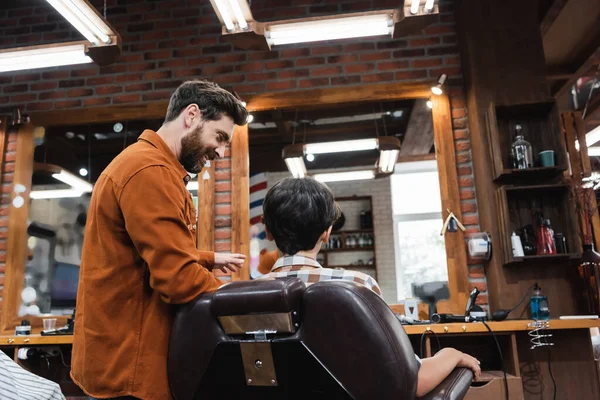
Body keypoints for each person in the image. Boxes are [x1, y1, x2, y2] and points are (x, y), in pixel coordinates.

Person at [71, 80, 249, 400]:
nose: (221, 152)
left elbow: (150, 250)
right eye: (220, 137)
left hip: (122, 358)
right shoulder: (149, 171)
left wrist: (206, 258)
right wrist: (251, 302)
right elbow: (178, 280)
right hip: (130, 369)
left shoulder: (146, 163)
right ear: (191, 116)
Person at [257, 177, 481, 397]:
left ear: (267, 231)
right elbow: (409, 380)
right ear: (326, 232)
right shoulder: (357, 286)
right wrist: (452, 354)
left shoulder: (242, 296)